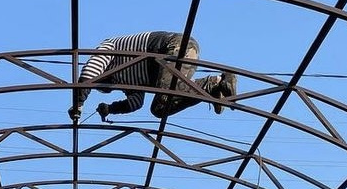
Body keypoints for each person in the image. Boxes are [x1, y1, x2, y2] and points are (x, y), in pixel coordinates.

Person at [69, 30, 237, 122]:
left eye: (101, 88)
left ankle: (214, 83)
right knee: (159, 109)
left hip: (175, 47)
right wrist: (110, 109)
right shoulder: (124, 80)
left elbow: (89, 73)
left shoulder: (108, 46)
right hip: (181, 54)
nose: (107, 90)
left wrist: (78, 104)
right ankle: (213, 90)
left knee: (165, 97)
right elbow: (135, 103)